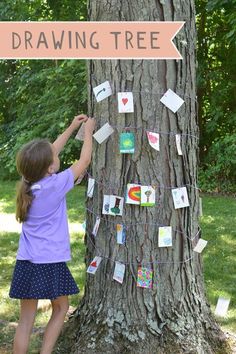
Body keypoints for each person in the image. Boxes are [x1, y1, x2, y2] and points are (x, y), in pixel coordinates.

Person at [9, 114, 96, 354]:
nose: (56, 156)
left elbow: (48, 152)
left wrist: (71, 127)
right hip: (49, 262)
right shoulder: (55, 185)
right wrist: (87, 130)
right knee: (60, 308)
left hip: (26, 261)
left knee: (25, 321)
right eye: (55, 158)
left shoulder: (29, 180)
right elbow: (85, 160)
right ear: (49, 167)